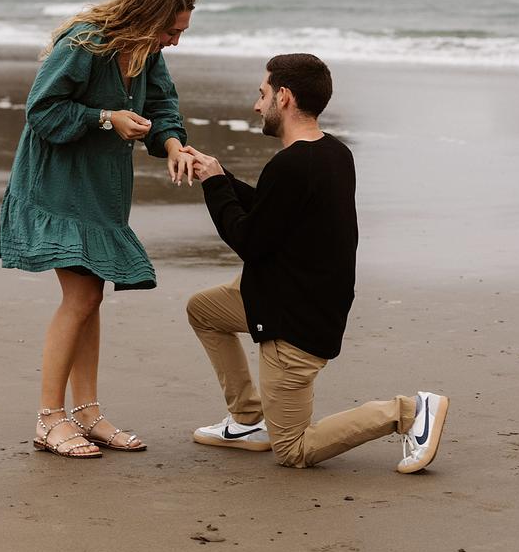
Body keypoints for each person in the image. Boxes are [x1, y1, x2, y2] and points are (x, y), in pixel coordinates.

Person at [181, 53, 448, 473]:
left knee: (293, 450)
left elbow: (249, 241)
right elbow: (274, 212)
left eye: (262, 94)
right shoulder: (333, 153)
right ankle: (248, 419)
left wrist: (216, 186)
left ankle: (409, 412)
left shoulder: (290, 165)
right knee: (204, 310)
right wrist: (218, 175)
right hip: (299, 297)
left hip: (294, 323)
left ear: (284, 97)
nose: (257, 105)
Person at [0, 0, 197, 458]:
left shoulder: (147, 53)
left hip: (103, 189)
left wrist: (173, 144)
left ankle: (86, 413)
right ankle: (50, 418)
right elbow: (41, 111)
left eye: (180, 33)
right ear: (147, 18)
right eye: (171, 30)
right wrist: (106, 118)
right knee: (83, 295)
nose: (174, 41)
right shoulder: (84, 44)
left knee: (91, 295)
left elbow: (162, 105)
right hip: (56, 184)